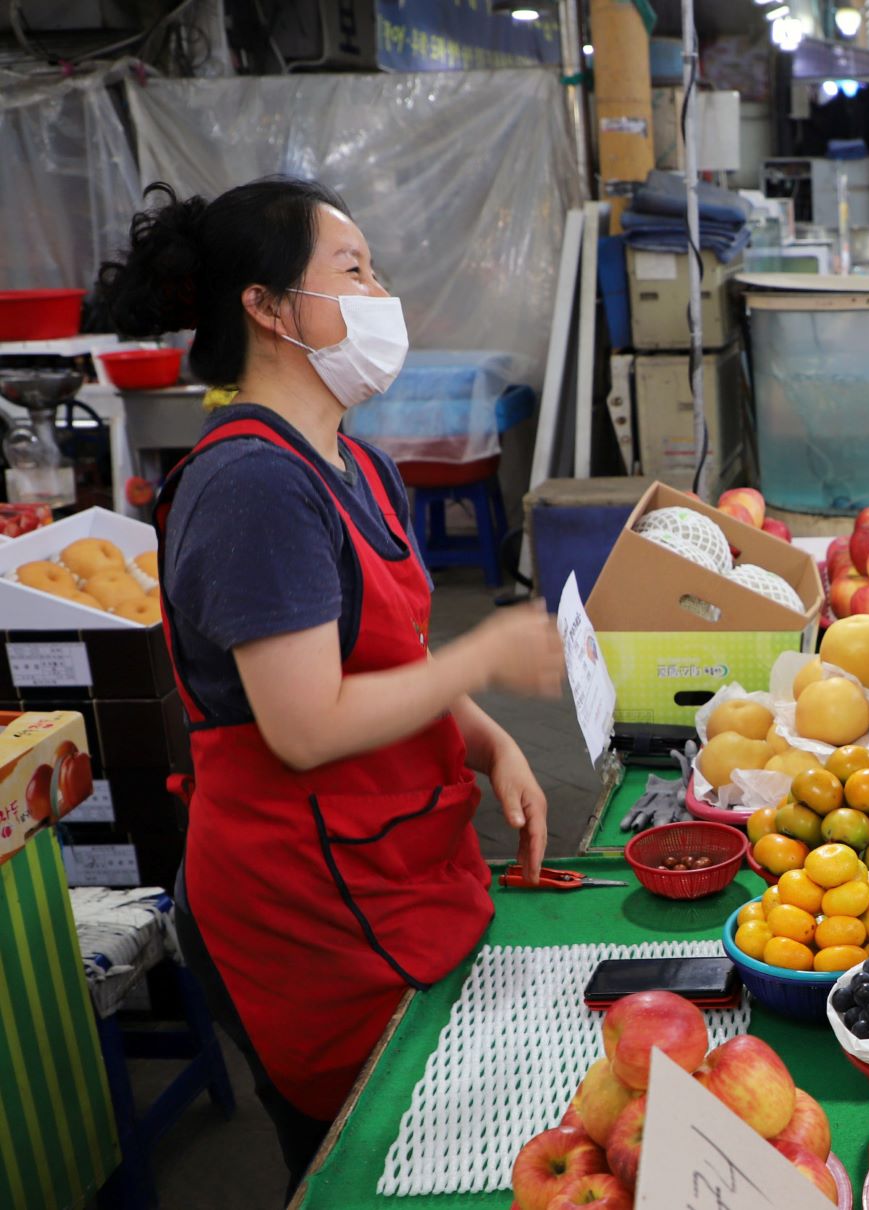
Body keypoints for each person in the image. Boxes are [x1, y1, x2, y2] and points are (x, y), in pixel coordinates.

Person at [94, 178, 566, 1195]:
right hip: (304, 912)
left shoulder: (351, 460)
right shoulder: (253, 487)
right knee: (372, 1164)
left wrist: (489, 739)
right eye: (352, 271)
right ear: (266, 308)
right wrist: (483, 657)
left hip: (389, 859)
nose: (379, 293)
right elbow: (305, 723)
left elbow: (387, 654)